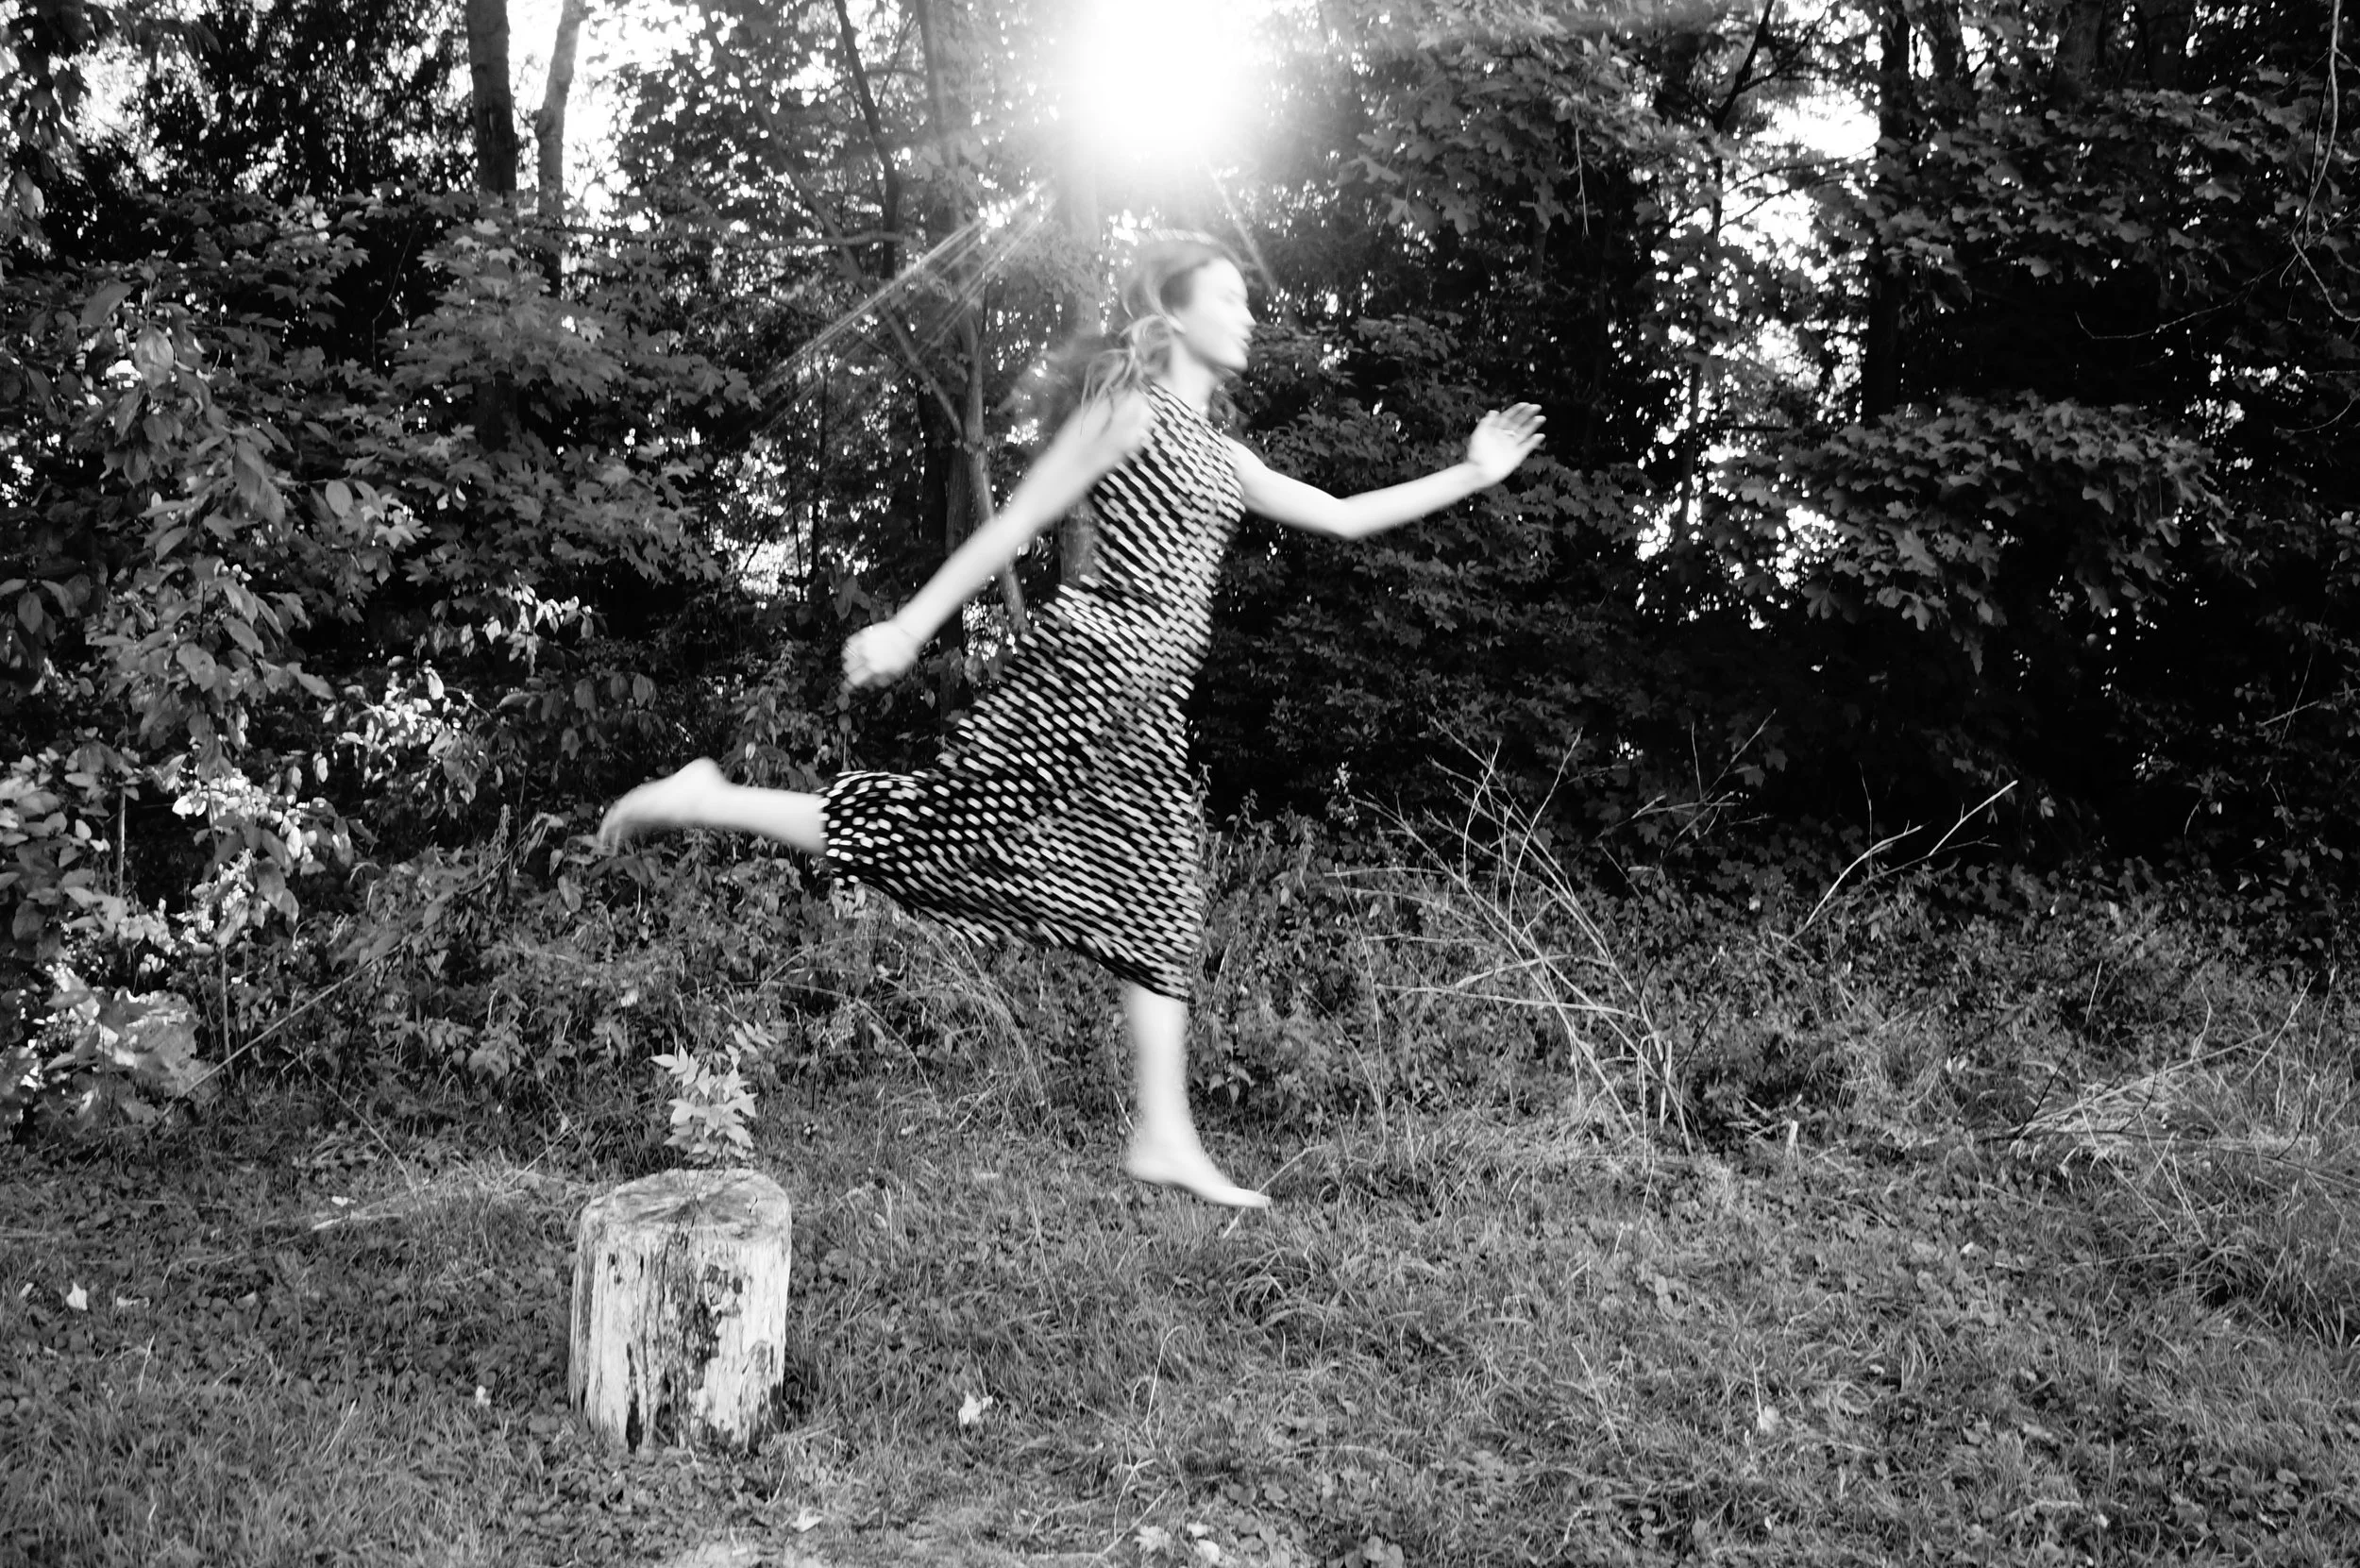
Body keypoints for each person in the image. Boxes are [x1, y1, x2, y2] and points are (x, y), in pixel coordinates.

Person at [599, 235, 1542, 1207]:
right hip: (1089, 672)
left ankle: (1164, 1132)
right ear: (1173, 315)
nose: (1248, 314)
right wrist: (910, 624)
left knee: (1162, 898)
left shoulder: (1225, 454)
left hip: (1147, 705)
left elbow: (1343, 515)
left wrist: (1472, 472)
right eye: (1227, 297)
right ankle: (710, 796)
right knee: (940, 832)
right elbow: (1017, 521)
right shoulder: (1128, 410)